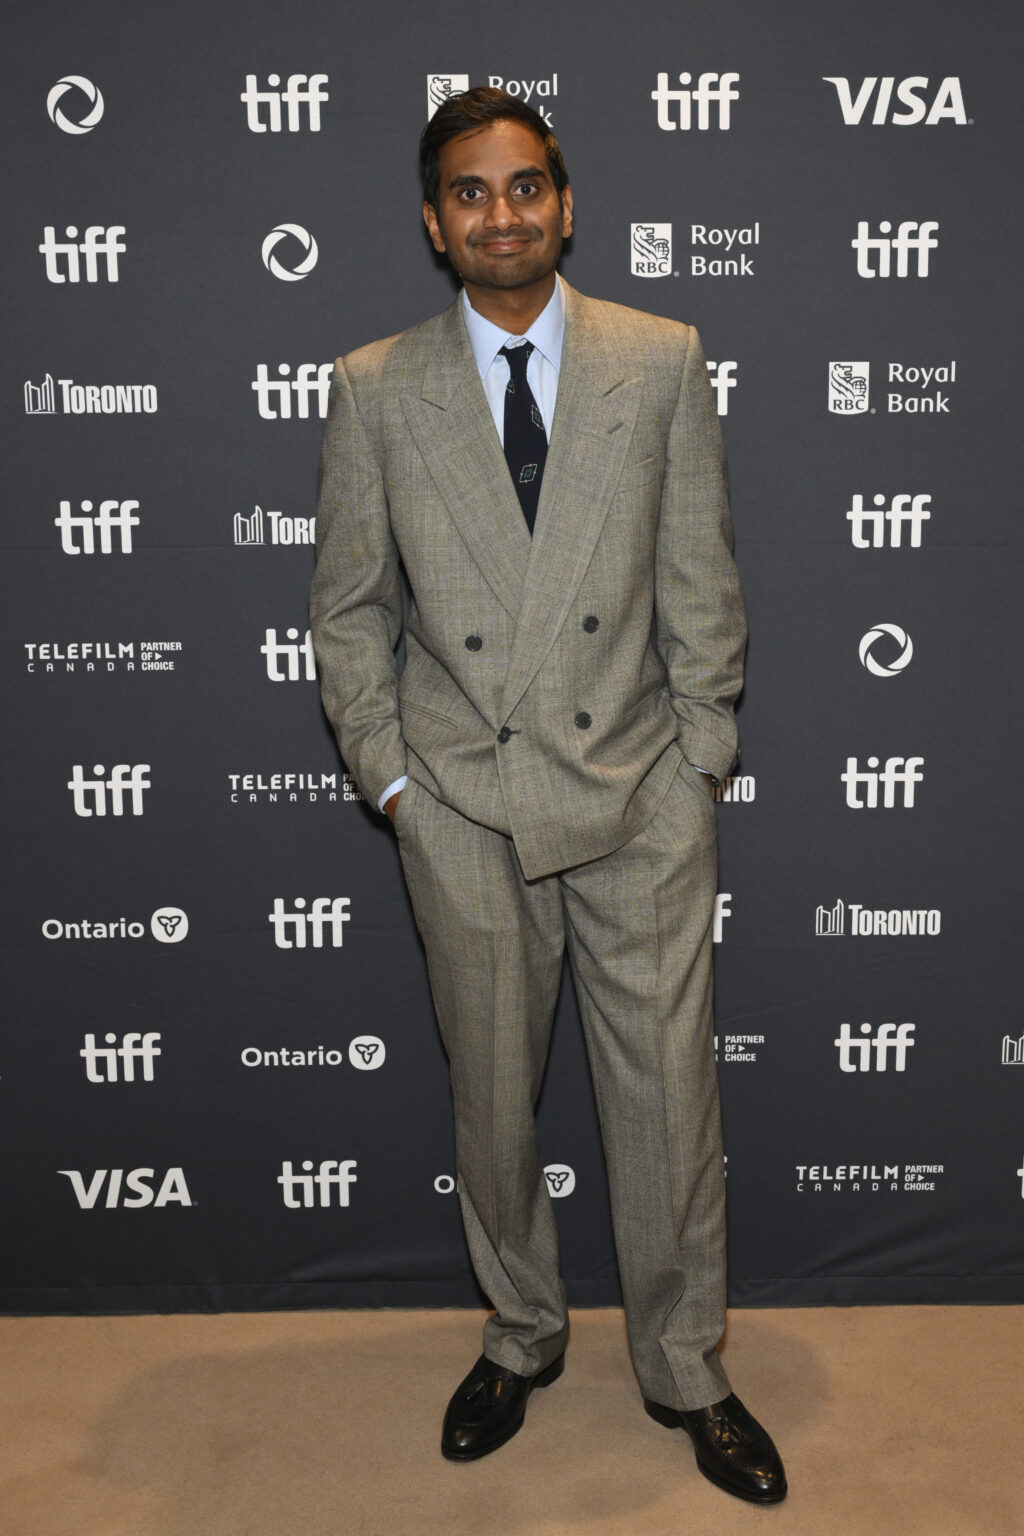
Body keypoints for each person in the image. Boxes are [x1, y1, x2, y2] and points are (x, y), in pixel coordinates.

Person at [310, 86, 785, 1505]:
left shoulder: (662, 357)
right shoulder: (375, 385)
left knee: (669, 1107)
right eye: (470, 192)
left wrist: (699, 764)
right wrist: (395, 780)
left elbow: (703, 580)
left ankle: (687, 1365)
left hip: (639, 797)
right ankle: (521, 1335)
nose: (500, 213)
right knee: (495, 1112)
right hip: (467, 809)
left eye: (526, 188)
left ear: (565, 204)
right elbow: (347, 613)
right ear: (435, 223)